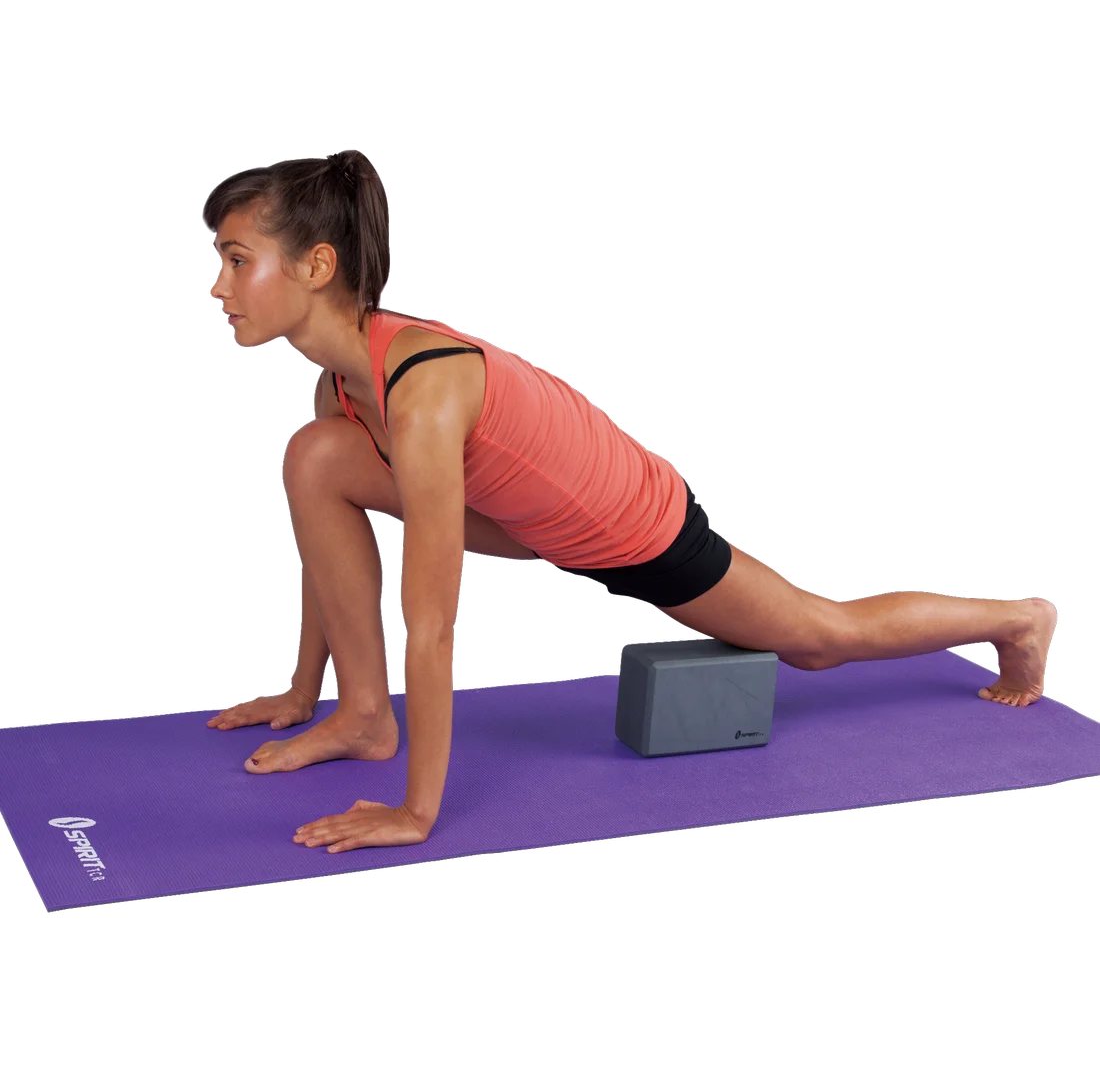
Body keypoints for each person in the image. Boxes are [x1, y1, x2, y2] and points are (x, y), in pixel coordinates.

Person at [203, 151, 1058, 851]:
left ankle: (1018, 619)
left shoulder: (420, 394)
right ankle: (361, 716)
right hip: (528, 515)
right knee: (316, 460)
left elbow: (429, 619)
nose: (218, 286)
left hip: (631, 528)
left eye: (237, 260)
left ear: (317, 266)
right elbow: (329, 543)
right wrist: (301, 686)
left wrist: (416, 812)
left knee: (818, 642)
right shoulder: (341, 382)